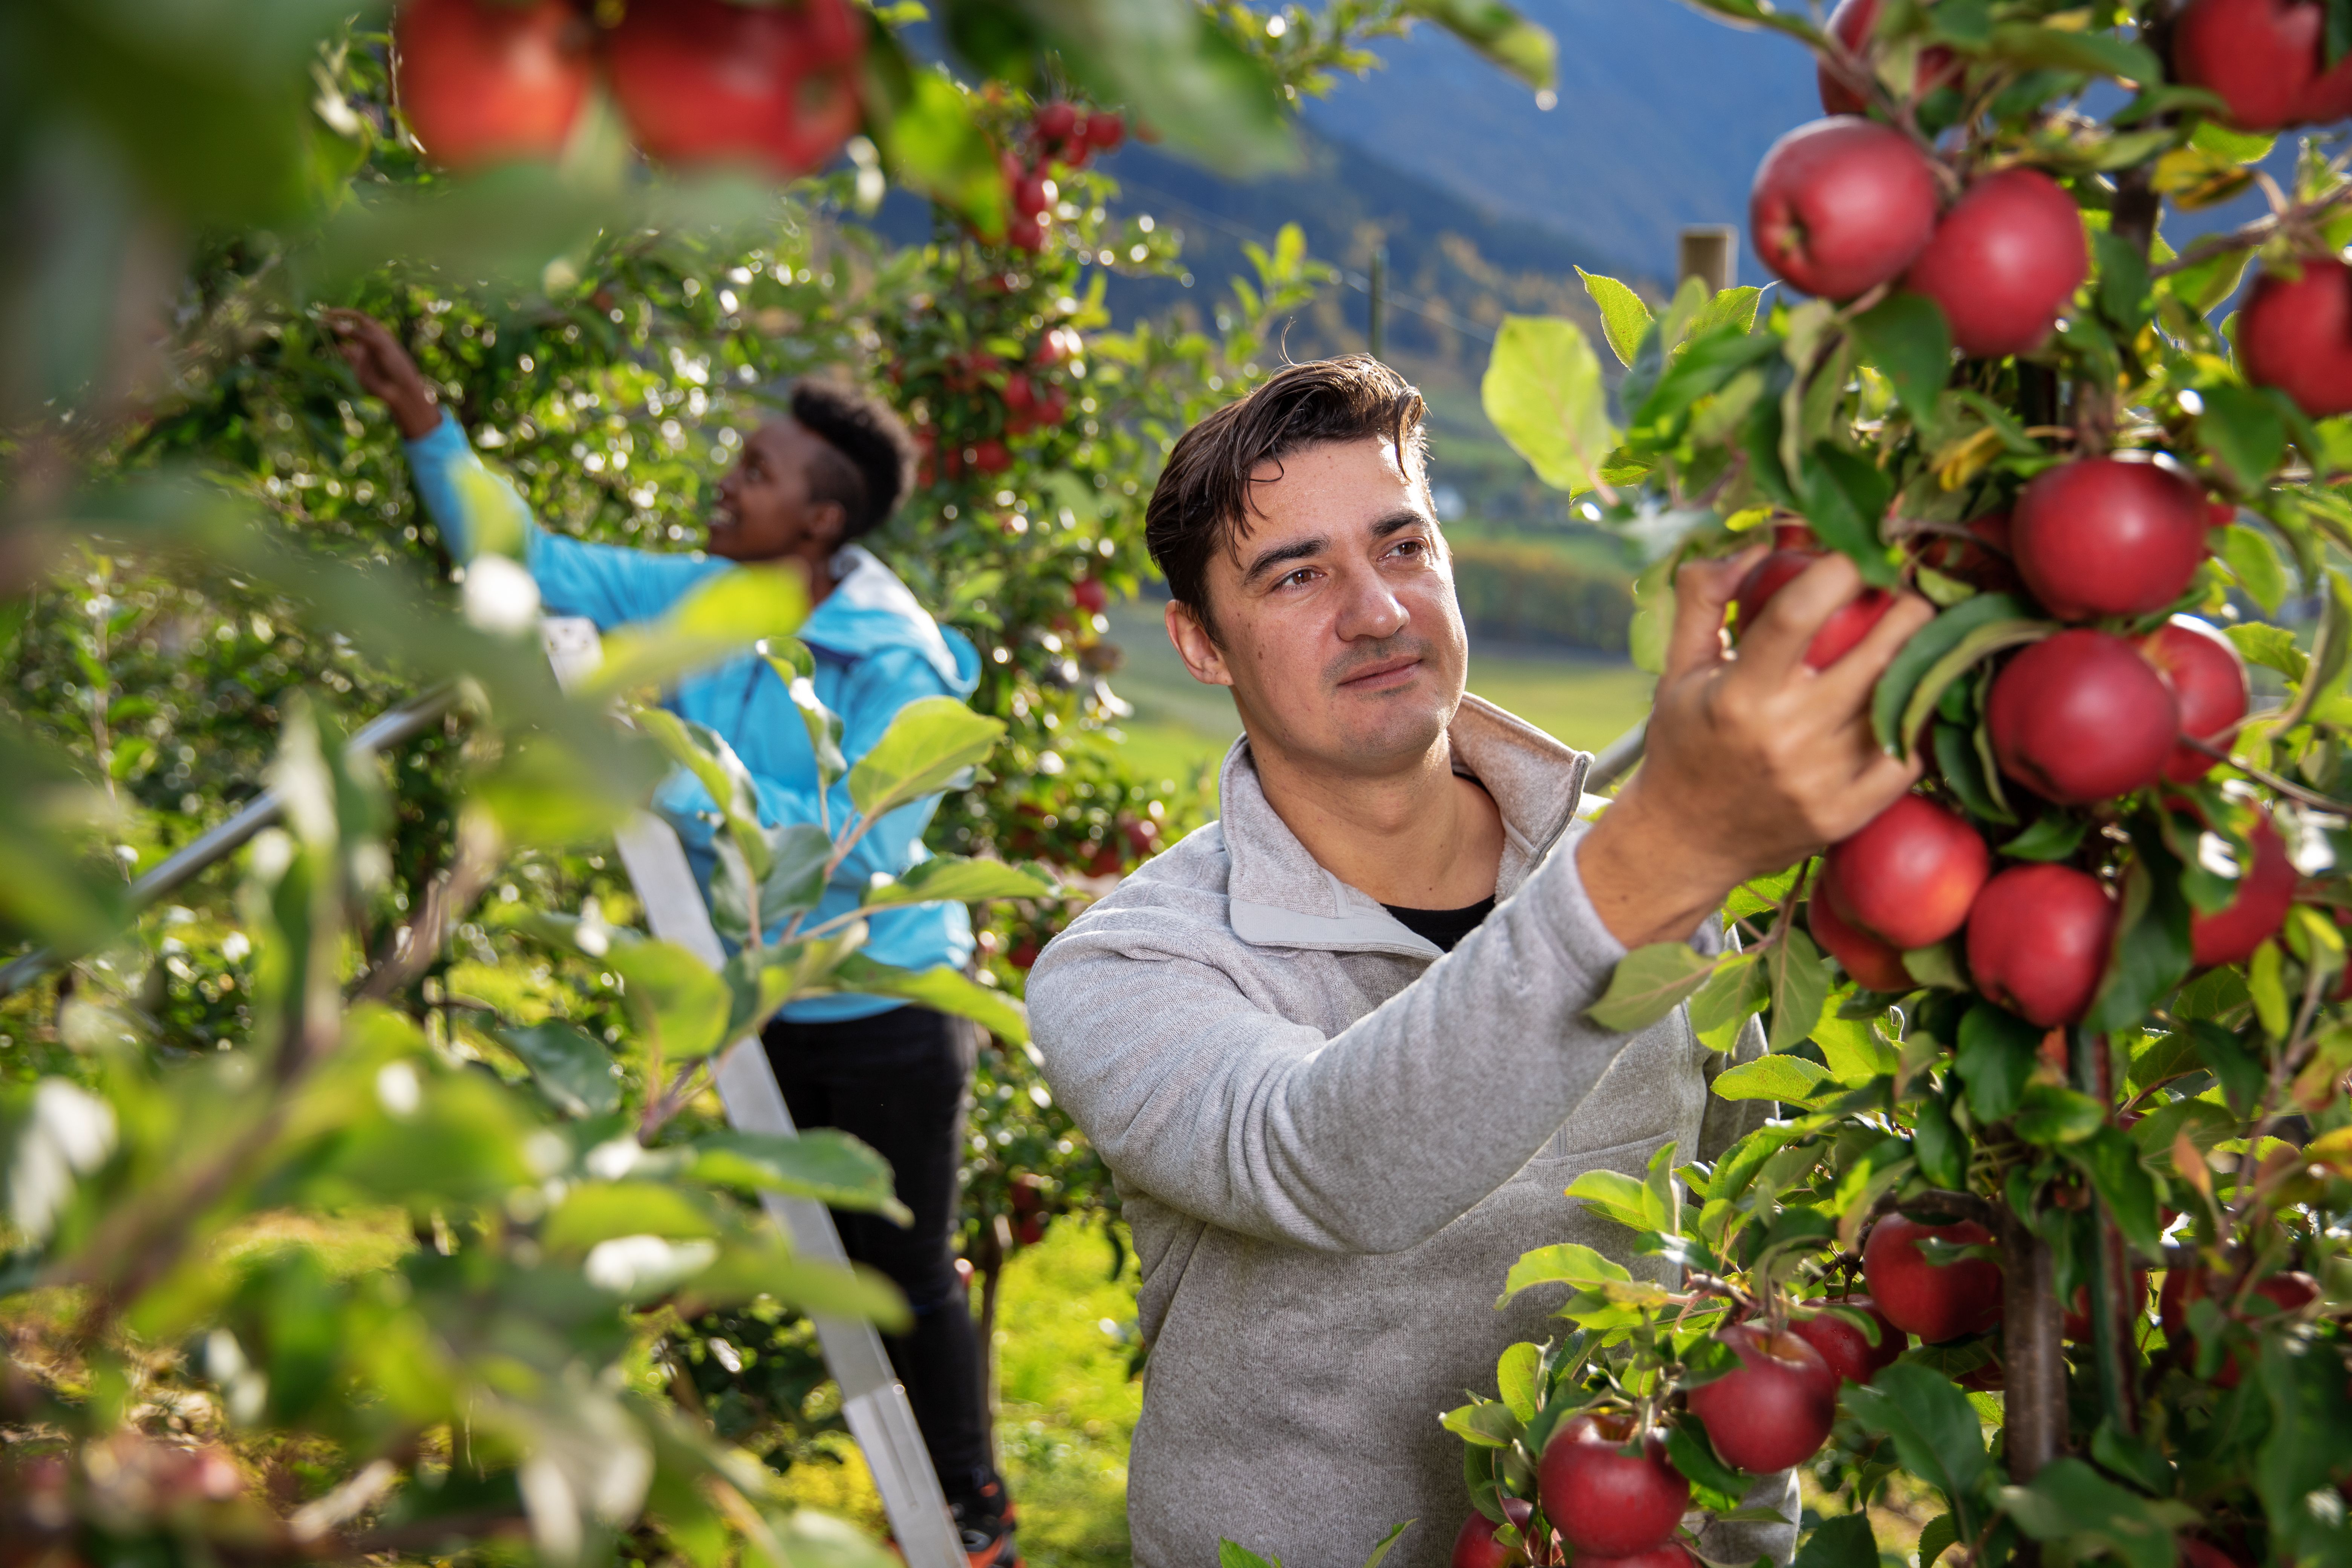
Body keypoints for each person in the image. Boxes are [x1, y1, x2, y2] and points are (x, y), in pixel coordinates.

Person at [1024, 357, 1931, 1568]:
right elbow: (1330, 1161)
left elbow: (1732, 1251)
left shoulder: (1645, 891)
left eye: (1403, 548)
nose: (1378, 612)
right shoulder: (1131, 966)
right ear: (1201, 645)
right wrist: (1665, 854)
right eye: (1297, 575)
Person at [328, 311, 1020, 1568]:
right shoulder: (706, 598)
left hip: (885, 1005)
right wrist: (426, 422)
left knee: (906, 1262)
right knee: (729, 1228)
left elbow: (859, 837)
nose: (727, 480)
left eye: (757, 473)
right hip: (754, 1002)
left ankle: (973, 1508)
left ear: (821, 524)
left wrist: (671, 785)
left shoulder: (898, 659)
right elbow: (527, 559)